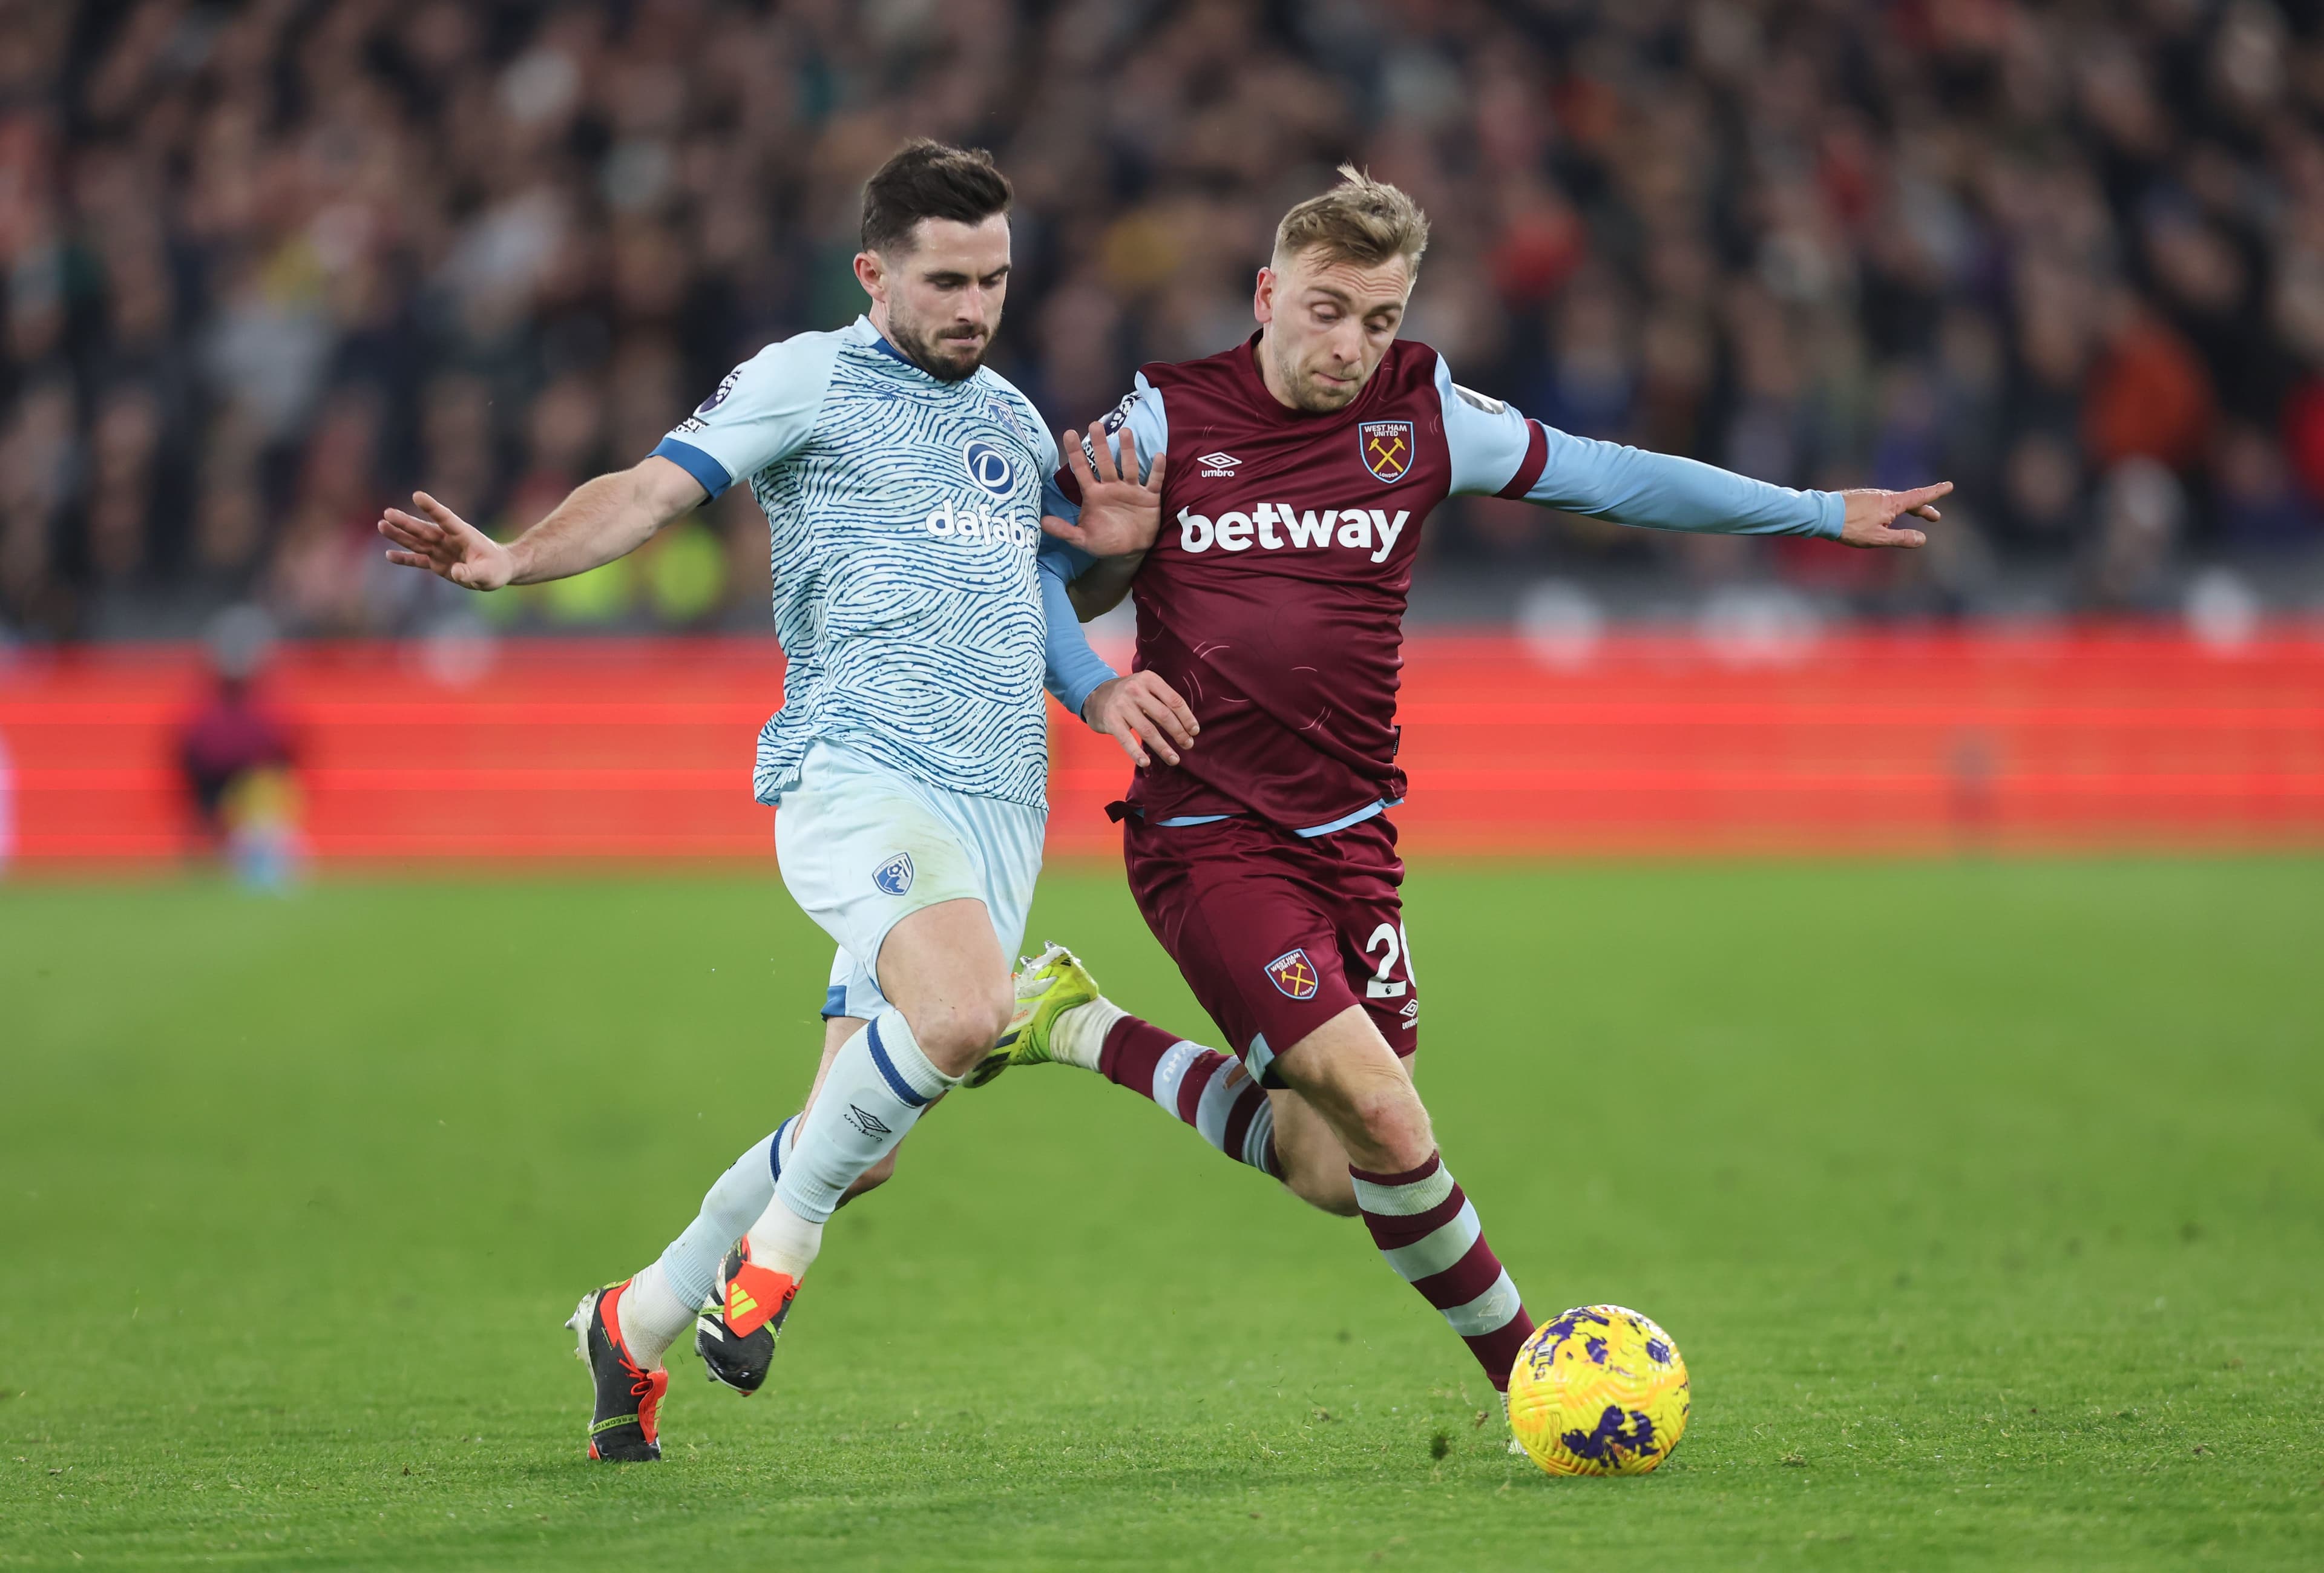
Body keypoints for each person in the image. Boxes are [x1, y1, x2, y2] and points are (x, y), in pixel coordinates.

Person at [975, 167, 1949, 1428]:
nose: (1351, 344)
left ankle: (1072, 1021)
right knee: (1388, 1109)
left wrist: (1819, 511)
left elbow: (1613, 474)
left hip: (1354, 842)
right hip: (1207, 838)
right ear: (1268, 295)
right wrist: (1097, 688)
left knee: (1337, 1167)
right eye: (1327, 310)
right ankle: (1544, 1382)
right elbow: (1036, 566)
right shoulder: (1166, 418)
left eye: (1378, 320)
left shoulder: (1424, 413)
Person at [377, 140, 1181, 1462]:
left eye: (993, 279)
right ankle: (771, 1267)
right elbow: (650, 490)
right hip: (860, 771)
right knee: (971, 1011)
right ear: (874, 271)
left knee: (861, 1145)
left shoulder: (1017, 422)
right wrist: (518, 560)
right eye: (945, 282)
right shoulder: (809, 376)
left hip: (997, 803)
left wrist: (1114, 579)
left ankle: (630, 1321)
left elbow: (1035, 599)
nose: (975, 308)